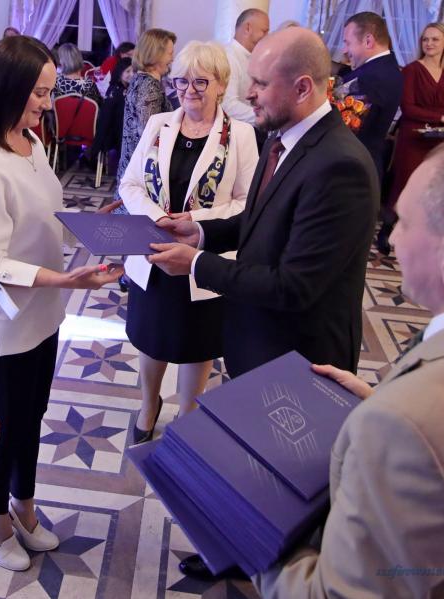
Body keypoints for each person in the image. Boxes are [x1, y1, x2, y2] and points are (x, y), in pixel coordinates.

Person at [254, 133, 444, 598]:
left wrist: (249, 533)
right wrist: (386, 397)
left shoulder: (406, 426)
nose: (391, 237)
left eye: (403, 221)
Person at [149, 27, 378, 579]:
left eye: (258, 83)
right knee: (253, 462)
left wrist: (197, 265)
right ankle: (236, 550)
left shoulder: (339, 165)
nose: (247, 93)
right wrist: (201, 232)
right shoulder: (284, 139)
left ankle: (275, 572)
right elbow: (259, 224)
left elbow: (294, 285)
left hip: (299, 352)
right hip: (259, 337)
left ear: (302, 87)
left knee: (286, 481)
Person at [0, 36, 123, 572]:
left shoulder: (29, 139)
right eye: (39, 93)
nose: (47, 104)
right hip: (5, 323)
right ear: (8, 87)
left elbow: (46, 218)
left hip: (44, 314)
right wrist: (65, 279)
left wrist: (95, 221)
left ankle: (23, 507)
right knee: (4, 429)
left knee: (33, 417)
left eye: (50, 92)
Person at [119, 40, 258, 443]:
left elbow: (247, 202)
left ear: (221, 84)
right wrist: (157, 218)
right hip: (154, 251)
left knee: (198, 343)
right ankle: (149, 404)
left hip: (204, 257)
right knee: (151, 338)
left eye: (200, 81)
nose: (189, 90)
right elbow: (130, 184)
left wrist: (194, 221)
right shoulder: (159, 125)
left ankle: (187, 413)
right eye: (181, 81)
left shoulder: (241, 135)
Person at [340, 11, 403, 255]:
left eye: (348, 42)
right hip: (365, 161)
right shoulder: (387, 69)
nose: (345, 50)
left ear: (368, 40)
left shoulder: (373, 76)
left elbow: (350, 127)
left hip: (353, 168)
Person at [387, 22, 444, 232]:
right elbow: (408, 108)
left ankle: (418, 232)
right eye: (425, 39)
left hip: (439, 138)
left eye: (435, 39)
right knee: (405, 183)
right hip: (413, 137)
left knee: (431, 186)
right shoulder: (411, 70)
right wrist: (441, 117)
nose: (429, 43)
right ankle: (389, 230)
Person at [116, 28, 176, 183]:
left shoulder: (140, 79)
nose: (172, 59)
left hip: (133, 165)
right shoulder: (149, 87)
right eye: (170, 53)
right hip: (141, 173)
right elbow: (149, 135)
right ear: (156, 54)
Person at [221, 8, 270, 128]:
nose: (267, 37)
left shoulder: (255, 57)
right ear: (248, 28)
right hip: (235, 131)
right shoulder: (229, 57)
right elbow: (228, 105)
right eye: (264, 31)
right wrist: (267, 118)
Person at [90, 57, 134, 169]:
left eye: (133, 71)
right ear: (120, 73)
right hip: (113, 136)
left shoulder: (115, 88)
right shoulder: (118, 92)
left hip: (111, 134)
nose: (132, 74)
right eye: (128, 71)